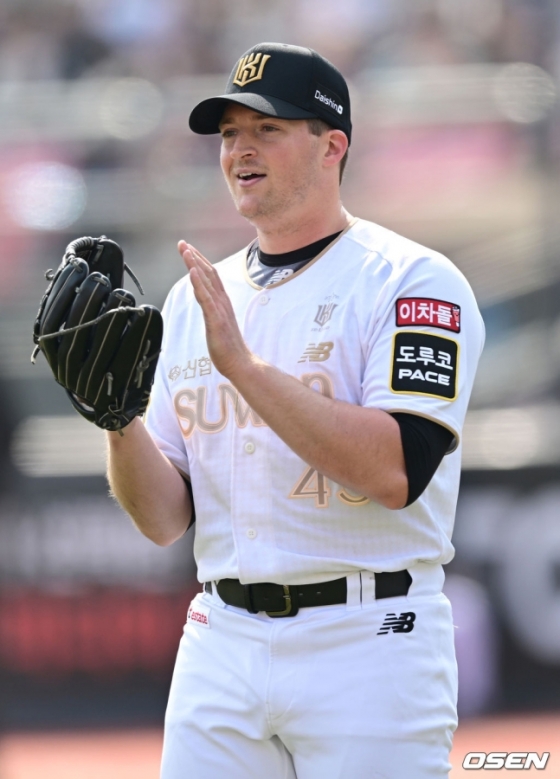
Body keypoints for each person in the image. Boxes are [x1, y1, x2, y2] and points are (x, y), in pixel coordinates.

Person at [107, 42, 484, 779]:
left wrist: (245, 370)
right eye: (229, 133)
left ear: (331, 146)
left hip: (369, 637)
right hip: (221, 638)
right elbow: (163, 520)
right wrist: (115, 422)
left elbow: (396, 470)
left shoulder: (411, 279)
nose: (240, 149)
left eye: (268, 128)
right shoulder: (194, 297)